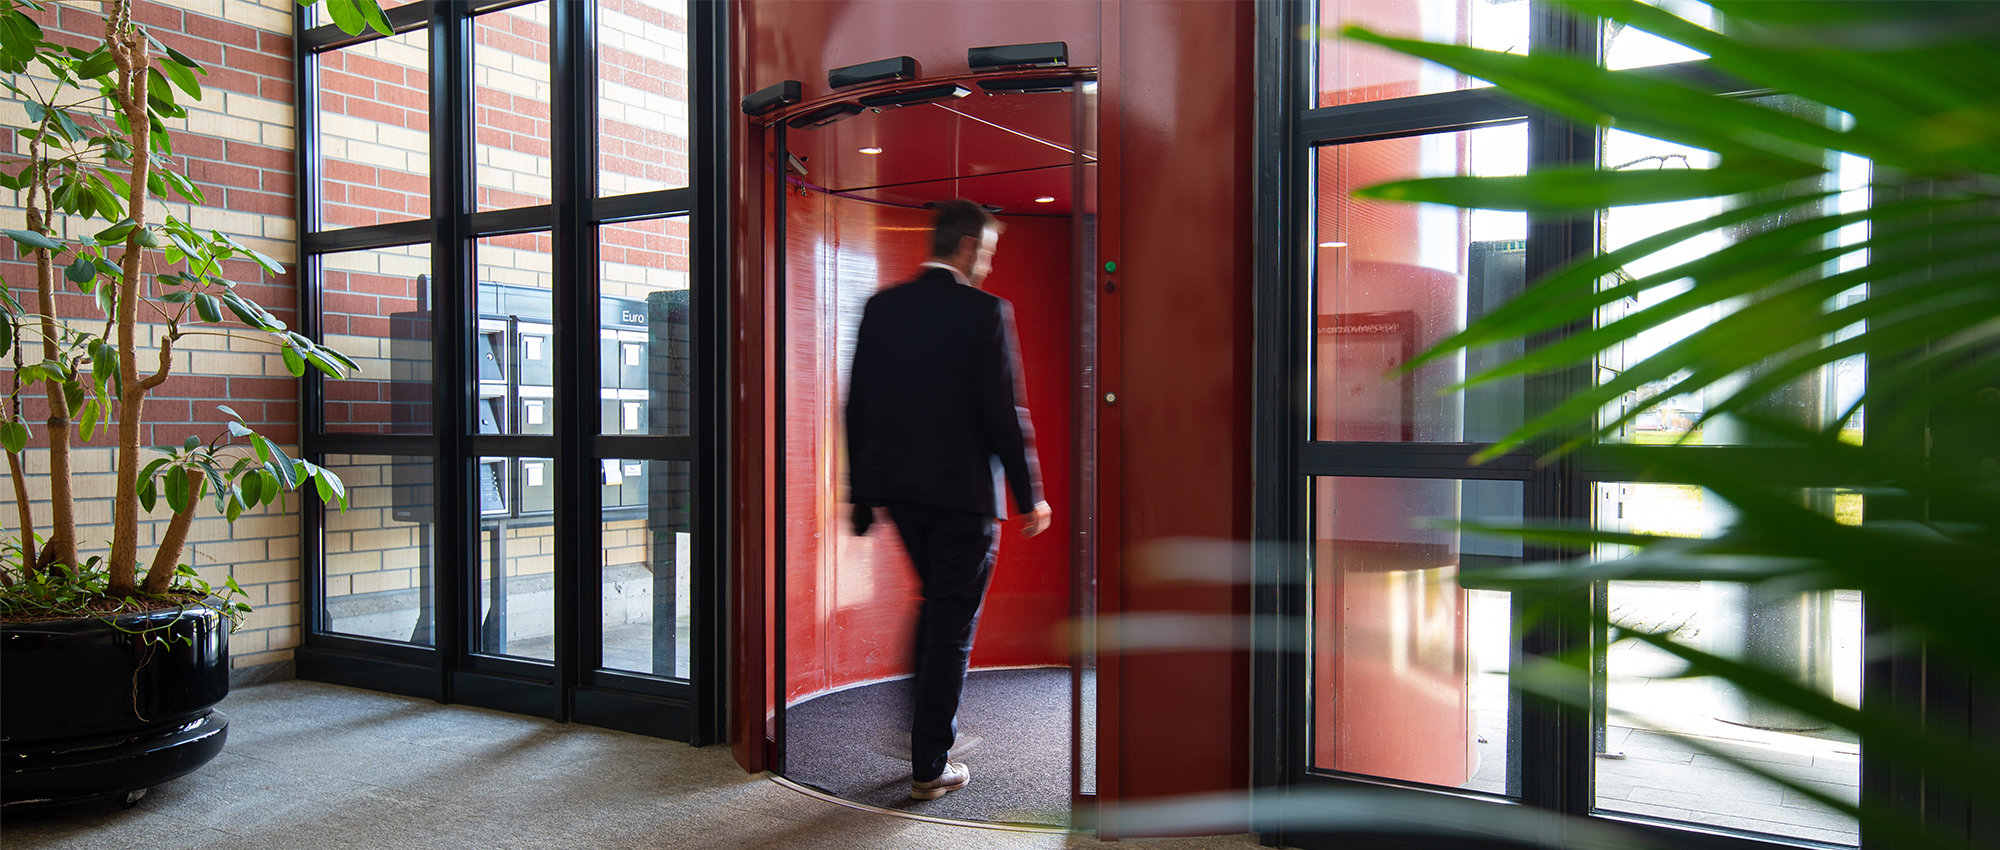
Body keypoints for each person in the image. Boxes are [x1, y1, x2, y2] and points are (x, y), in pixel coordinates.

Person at [845, 199, 1052, 801]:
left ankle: (924, 735)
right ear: (965, 246)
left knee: (936, 605)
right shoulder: (984, 311)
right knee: (951, 625)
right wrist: (1029, 495)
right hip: (964, 499)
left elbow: (858, 404)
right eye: (986, 250)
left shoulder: (883, 308)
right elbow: (1003, 412)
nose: (987, 263)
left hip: (902, 497)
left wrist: (862, 494)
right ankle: (929, 764)